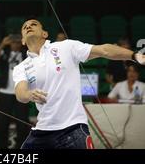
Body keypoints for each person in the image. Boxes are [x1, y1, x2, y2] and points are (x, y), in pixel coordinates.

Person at [12, 17, 145, 149]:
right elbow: (20, 94)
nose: (28, 27)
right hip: (42, 132)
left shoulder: (65, 47)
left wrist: (135, 56)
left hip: (73, 127)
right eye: (25, 27)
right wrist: (29, 94)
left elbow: (104, 50)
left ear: (45, 34)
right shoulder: (21, 67)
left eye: (33, 24)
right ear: (22, 41)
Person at [0, 33, 30, 149]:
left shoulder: (25, 54)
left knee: (22, 124)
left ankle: (21, 148)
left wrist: (25, 43)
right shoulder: (5, 53)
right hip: (5, 92)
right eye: (13, 41)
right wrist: (3, 43)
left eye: (18, 41)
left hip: (21, 92)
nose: (15, 44)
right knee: (2, 123)